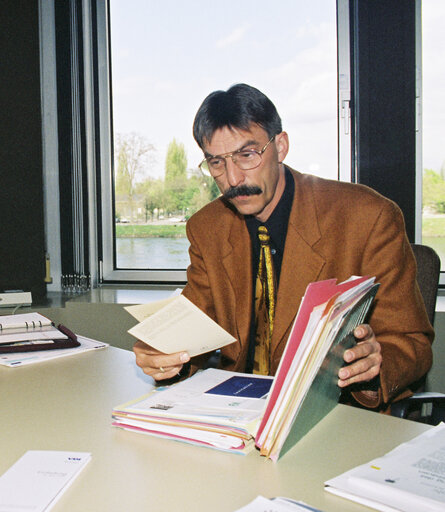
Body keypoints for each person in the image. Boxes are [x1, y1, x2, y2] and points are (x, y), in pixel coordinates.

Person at [133, 83, 433, 410]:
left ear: (281, 146)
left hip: (332, 411)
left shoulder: (367, 216)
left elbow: (411, 344)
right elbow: (195, 325)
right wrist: (165, 354)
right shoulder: (207, 227)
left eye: (246, 155)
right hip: (234, 410)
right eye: (216, 162)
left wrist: (374, 365)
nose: (233, 179)